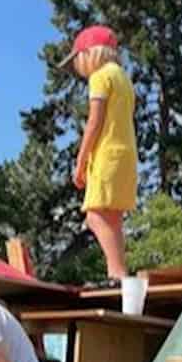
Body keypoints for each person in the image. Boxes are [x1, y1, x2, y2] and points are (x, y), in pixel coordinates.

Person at [61, 24, 137, 283]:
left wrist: (81, 161)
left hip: (106, 154)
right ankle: (118, 272)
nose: (78, 67)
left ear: (89, 53)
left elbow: (94, 122)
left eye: (78, 59)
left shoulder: (100, 77)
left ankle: (117, 273)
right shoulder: (124, 79)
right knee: (113, 218)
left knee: (94, 217)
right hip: (126, 155)